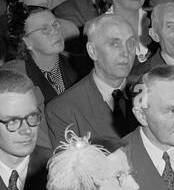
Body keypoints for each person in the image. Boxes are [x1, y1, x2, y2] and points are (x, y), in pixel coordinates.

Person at [45, 14, 139, 143]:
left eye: (131, 43)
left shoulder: (150, 91)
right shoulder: (63, 110)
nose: (126, 52)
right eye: (114, 44)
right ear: (92, 51)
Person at [7, 3, 83, 102]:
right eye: (45, 29)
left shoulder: (79, 65)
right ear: (27, 41)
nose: (55, 31)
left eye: (55, 25)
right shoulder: (17, 80)